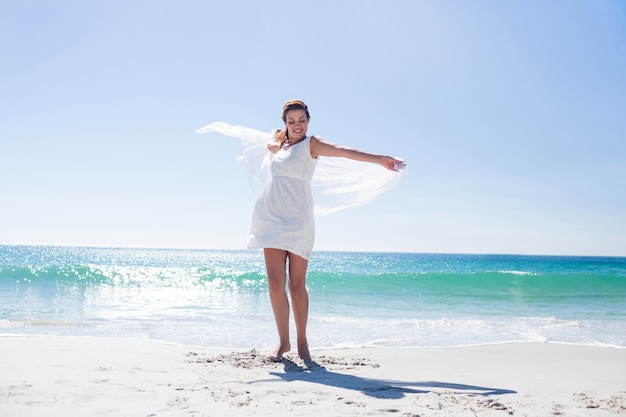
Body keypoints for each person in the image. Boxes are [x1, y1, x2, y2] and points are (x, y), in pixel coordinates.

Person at [247, 99, 405, 361]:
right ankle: (283, 342)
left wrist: (380, 159)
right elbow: (269, 144)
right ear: (285, 124)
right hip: (271, 216)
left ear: (308, 120)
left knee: (297, 285)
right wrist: (278, 138)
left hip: (299, 220)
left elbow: (343, 151)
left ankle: (302, 341)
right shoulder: (281, 146)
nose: (297, 125)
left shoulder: (313, 145)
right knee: (275, 284)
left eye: (301, 120)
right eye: (291, 121)